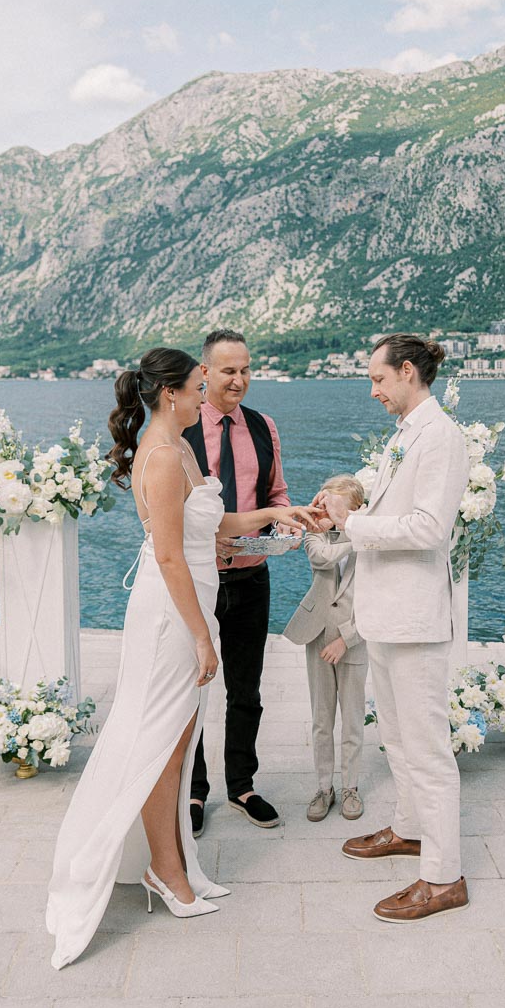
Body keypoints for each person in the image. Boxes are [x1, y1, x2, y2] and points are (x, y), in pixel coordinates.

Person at [46, 348, 311, 968]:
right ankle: (165, 872)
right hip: (172, 614)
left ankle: (177, 863)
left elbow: (216, 525)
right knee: (160, 744)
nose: (206, 397)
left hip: (189, 604)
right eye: (198, 387)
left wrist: (278, 511)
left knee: (178, 737)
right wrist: (200, 635)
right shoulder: (163, 457)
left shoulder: (182, 450)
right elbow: (168, 558)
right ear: (171, 394)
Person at [319, 334, 470, 924]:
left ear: (408, 372)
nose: (374, 391)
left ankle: (443, 876)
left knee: (428, 750)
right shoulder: (407, 435)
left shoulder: (441, 437)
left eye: (379, 379)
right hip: (387, 616)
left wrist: (354, 523)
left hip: (414, 620)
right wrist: (340, 516)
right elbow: (385, 514)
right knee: (399, 740)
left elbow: (431, 528)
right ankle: (411, 830)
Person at [183, 328, 295, 834]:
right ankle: (194, 789)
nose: (240, 380)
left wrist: (284, 526)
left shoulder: (262, 425)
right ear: (204, 373)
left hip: (252, 577)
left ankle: (242, 785)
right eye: (229, 370)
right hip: (199, 580)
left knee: (245, 689)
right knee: (192, 690)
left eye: (246, 370)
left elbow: (275, 492)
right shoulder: (181, 429)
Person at [283, 473, 368, 823]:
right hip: (317, 636)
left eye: (335, 505)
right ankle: (323, 787)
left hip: (354, 640)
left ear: (355, 509)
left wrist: (346, 639)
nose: (328, 510)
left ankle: (350, 787)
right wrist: (355, 536)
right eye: (326, 503)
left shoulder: (375, 545)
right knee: (321, 719)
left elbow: (376, 601)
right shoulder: (318, 537)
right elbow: (321, 559)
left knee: (352, 720)